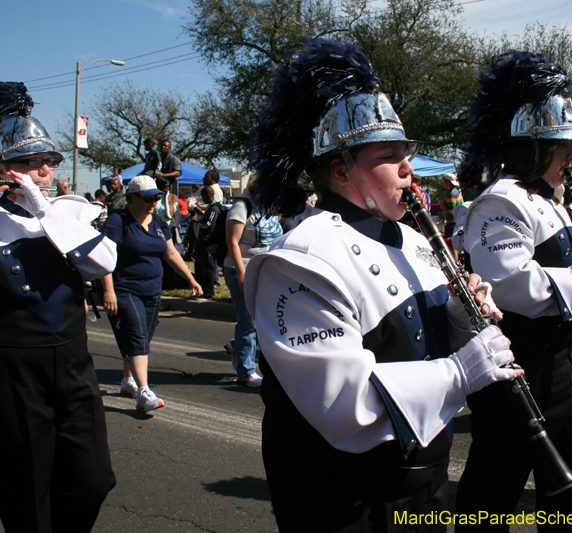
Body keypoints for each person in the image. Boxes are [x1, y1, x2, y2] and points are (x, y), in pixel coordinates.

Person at [243, 39, 519, 532]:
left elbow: (417, 341)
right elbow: (344, 403)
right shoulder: (301, 259)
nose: (408, 168)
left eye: (405, 153)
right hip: (345, 500)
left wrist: (456, 317)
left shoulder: (413, 238)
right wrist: (461, 372)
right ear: (340, 169)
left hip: (421, 478)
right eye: (388, 156)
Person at [0, 81, 116, 532]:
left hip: (71, 364)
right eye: (28, 164)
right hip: (5, 369)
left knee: (93, 480)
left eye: (47, 163)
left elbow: (102, 261)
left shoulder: (69, 210)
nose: (41, 172)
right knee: (26, 492)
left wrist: (40, 208)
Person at [454, 51, 572, 532]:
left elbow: (559, 267)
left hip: (564, 363)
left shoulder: (554, 202)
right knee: (494, 488)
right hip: (522, 362)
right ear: (534, 146)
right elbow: (511, 285)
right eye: (562, 144)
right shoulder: (502, 200)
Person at [99, 175, 202, 411]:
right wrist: (108, 291)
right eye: (148, 198)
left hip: (152, 289)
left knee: (141, 338)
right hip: (125, 289)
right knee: (136, 336)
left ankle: (128, 381)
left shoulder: (157, 221)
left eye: (156, 197)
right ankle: (144, 392)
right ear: (132, 197)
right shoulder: (117, 221)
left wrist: (191, 279)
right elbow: (103, 257)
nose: (153, 202)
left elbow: (171, 253)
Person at [222, 179, 283, 387]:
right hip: (243, 268)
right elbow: (232, 242)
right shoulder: (242, 207)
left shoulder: (273, 209)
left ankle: (236, 346)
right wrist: (241, 273)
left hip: (267, 270)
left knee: (267, 318)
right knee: (248, 321)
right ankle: (246, 372)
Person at [191, 186, 225, 300]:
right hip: (203, 241)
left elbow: (209, 225)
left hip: (207, 242)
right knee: (200, 266)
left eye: (203, 196)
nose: (202, 199)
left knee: (207, 267)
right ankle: (201, 290)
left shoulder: (214, 209)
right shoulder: (210, 208)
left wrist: (197, 221)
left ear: (209, 196)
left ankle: (208, 292)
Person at [441, 173, 463, 238]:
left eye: (444, 182)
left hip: (452, 223)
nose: (443, 184)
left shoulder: (452, 195)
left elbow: (451, 211)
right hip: (457, 221)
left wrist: (443, 207)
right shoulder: (456, 191)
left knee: (450, 244)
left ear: (448, 182)